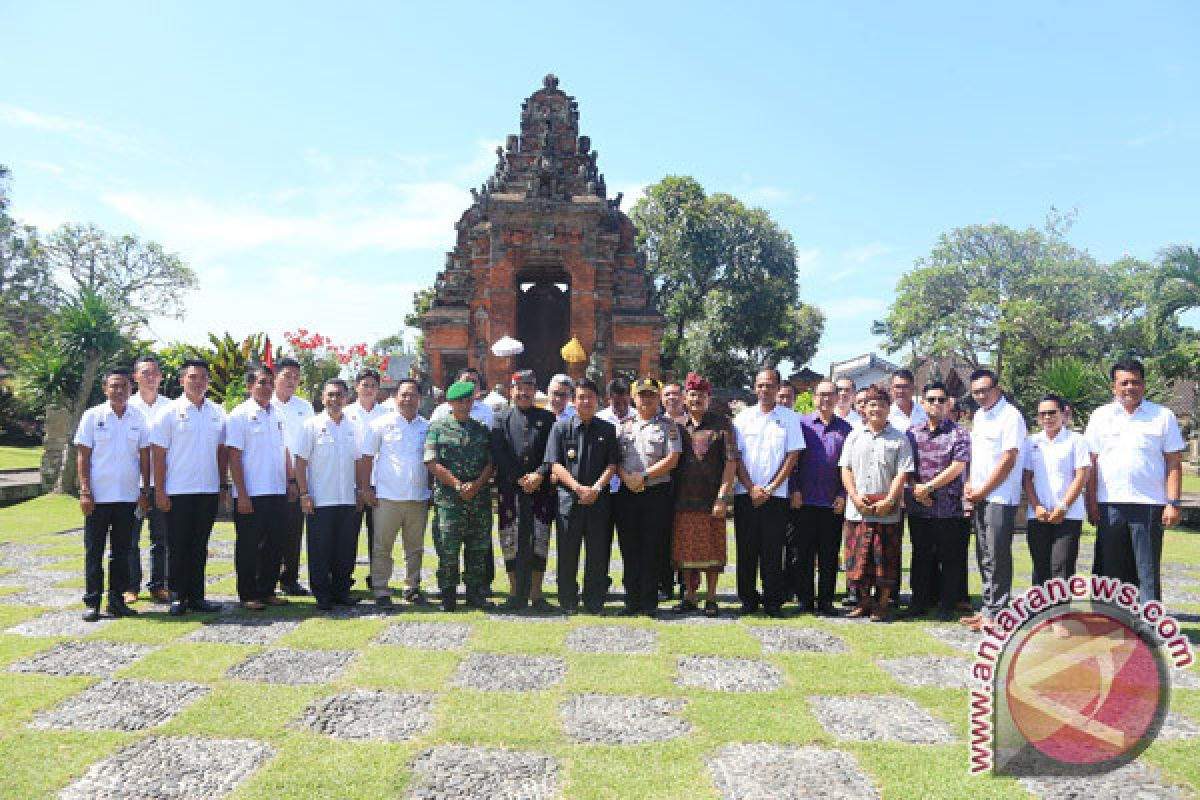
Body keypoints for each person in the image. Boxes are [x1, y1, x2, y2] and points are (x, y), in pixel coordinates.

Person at [1085, 359, 1185, 604]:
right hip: (1110, 504)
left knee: (1147, 571)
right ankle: (1113, 622)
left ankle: (1149, 628)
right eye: (1124, 383)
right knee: (1111, 570)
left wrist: (1172, 502)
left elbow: (1173, 462)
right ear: (1113, 387)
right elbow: (1091, 464)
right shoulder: (1100, 416)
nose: (1130, 387)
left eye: (1135, 382)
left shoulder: (1162, 416)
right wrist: (1091, 503)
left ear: (1144, 385)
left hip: (1149, 505)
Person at [150, 359, 228, 616]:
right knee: (178, 544)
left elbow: (221, 452)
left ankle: (197, 596)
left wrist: (221, 486)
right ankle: (177, 595)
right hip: (178, 490)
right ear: (182, 380)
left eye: (203, 377)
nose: (198, 382)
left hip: (206, 489)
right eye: (193, 377)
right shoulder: (168, 412)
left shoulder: (217, 412)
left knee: (200, 545)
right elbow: (158, 455)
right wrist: (159, 491)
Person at [74, 369, 150, 620]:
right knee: (94, 551)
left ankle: (116, 600)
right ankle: (92, 602)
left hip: (127, 497)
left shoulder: (138, 417)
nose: (119, 390)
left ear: (131, 389)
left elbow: (144, 457)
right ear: (105, 389)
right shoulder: (92, 416)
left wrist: (144, 490)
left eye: (124, 386)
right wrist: (85, 491)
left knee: (122, 552)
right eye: (114, 386)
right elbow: (83, 456)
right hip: (98, 497)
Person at [840, 384, 914, 622]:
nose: (876, 409)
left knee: (885, 559)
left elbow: (902, 474)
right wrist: (853, 495)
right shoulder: (854, 436)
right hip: (857, 508)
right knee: (858, 560)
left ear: (888, 408)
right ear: (864, 409)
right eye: (872, 405)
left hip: (886, 510)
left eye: (881, 405)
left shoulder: (900, 440)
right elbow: (846, 468)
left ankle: (882, 604)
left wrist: (890, 500)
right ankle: (864, 602)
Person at [733, 368, 805, 617]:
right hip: (746, 494)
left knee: (773, 550)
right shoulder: (742, 419)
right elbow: (736, 457)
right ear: (755, 387)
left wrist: (771, 488)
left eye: (770, 385)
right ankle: (748, 600)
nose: (765, 390)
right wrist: (752, 487)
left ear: (777, 387)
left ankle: (773, 601)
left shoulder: (790, 418)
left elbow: (792, 455)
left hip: (777, 496)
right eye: (761, 385)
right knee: (746, 550)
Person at [546, 379, 619, 614]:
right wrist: (578, 488)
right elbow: (554, 464)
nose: (585, 401)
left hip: (598, 501)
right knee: (567, 552)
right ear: (573, 400)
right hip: (569, 500)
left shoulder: (607, 430)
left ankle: (594, 599)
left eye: (590, 397)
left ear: (598, 400)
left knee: (597, 553)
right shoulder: (560, 428)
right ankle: (567, 599)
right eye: (580, 397)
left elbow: (612, 464)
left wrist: (596, 488)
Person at [359, 378, 432, 609]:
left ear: (419, 398)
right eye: (403, 395)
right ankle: (381, 589)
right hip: (387, 497)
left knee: (415, 547)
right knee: (382, 547)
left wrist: (430, 491)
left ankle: (412, 587)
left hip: (417, 497)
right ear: (395, 397)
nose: (408, 399)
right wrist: (366, 489)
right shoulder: (381, 424)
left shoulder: (426, 426)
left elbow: (432, 462)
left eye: (412, 395)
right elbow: (367, 458)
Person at [962, 369, 1026, 631]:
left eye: (984, 390)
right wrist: (969, 484)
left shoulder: (1010, 416)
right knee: (984, 553)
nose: (980, 396)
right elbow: (977, 456)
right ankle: (988, 608)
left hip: (999, 496)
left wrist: (983, 490)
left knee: (998, 554)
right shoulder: (979, 415)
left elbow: (1008, 459)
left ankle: (998, 612)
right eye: (976, 391)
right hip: (980, 495)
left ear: (997, 389)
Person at [225, 366, 292, 611]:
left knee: (274, 545)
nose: (266, 387)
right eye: (261, 382)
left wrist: (290, 481)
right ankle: (248, 594)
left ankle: (267, 590)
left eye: (269, 383)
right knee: (249, 546)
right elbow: (234, 456)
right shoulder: (239, 415)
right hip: (251, 493)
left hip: (276, 490)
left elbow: (284, 450)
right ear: (249, 386)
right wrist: (241, 494)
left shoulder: (277, 414)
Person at [670, 372, 737, 617]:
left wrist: (722, 496)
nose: (696, 398)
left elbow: (731, 462)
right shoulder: (677, 426)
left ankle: (711, 597)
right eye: (692, 394)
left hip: (711, 500)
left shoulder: (723, 425)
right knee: (687, 552)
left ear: (708, 398)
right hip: (683, 499)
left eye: (701, 395)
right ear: (685, 398)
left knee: (712, 552)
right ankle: (690, 596)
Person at [425, 380, 495, 612]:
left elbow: (490, 463)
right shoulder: (437, 428)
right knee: (448, 550)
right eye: (459, 402)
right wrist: (457, 485)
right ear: (450, 403)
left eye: (468, 401)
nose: (464, 406)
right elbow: (432, 462)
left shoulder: (481, 429)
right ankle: (448, 595)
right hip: (449, 502)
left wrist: (475, 485)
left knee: (478, 549)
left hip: (479, 500)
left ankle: (475, 594)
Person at [614, 377, 682, 617]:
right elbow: (615, 461)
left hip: (656, 493)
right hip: (628, 493)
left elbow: (673, 459)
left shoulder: (668, 426)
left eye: (651, 395)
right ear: (634, 397)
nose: (646, 399)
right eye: (642, 394)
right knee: (629, 546)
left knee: (653, 547)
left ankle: (649, 601)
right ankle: (631, 599)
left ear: (659, 398)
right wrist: (628, 478)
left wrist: (642, 475)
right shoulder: (623, 426)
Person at [294, 379, 364, 611]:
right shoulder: (311, 426)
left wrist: (360, 491)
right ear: (322, 398)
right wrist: (304, 494)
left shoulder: (353, 426)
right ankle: (322, 595)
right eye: (331, 395)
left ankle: (341, 591)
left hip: (346, 498)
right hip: (320, 499)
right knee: (320, 550)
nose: (335, 400)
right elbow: (300, 462)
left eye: (340, 395)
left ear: (346, 399)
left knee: (345, 549)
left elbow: (358, 461)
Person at [903, 381, 971, 621]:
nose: (936, 404)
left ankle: (947, 604)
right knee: (920, 555)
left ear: (948, 403)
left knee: (949, 558)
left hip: (948, 508)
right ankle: (919, 602)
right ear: (923, 403)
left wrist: (929, 488)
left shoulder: (959, 433)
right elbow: (905, 465)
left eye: (941, 400)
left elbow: (958, 466)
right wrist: (916, 488)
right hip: (919, 507)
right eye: (931, 400)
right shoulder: (911, 433)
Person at [491, 369, 557, 611]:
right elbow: (498, 452)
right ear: (512, 391)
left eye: (528, 388)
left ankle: (537, 594)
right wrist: (519, 477)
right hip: (511, 488)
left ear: (535, 390)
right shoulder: (501, 418)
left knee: (539, 538)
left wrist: (540, 474)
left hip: (540, 489)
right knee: (510, 539)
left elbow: (553, 452)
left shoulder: (548, 419)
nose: (523, 392)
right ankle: (515, 592)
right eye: (519, 388)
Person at [787, 380, 852, 616]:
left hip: (831, 502)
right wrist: (793, 489)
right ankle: (805, 599)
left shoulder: (846, 430)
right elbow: (791, 462)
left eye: (830, 395)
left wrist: (843, 495)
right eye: (821, 395)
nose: (825, 399)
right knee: (802, 553)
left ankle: (825, 600)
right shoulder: (801, 424)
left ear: (837, 398)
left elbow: (850, 467)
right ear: (814, 398)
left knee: (829, 554)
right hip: (803, 500)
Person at [1023, 394, 1091, 586]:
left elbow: (1081, 476)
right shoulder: (1032, 442)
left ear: (1063, 413)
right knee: (1040, 567)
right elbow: (1027, 478)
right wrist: (1036, 506)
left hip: (1068, 515)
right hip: (1039, 514)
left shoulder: (1076, 440)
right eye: (1042, 414)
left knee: (1061, 567)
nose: (1047, 418)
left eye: (1052, 413)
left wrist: (1063, 506)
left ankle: (1061, 614)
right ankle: (1041, 614)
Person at [126, 354, 171, 604]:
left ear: (161, 377)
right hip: (132, 484)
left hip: (162, 483)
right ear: (136, 377)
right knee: (130, 538)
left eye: (154, 372)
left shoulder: (171, 406)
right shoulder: (127, 406)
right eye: (145, 373)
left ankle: (158, 585)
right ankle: (130, 586)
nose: (150, 377)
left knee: (161, 539)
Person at [272, 356, 314, 596]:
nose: (291, 381)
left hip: (297, 477)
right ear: (276, 377)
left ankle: (289, 579)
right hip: (268, 477)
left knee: (293, 530)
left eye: (296, 377)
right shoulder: (266, 405)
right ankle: (267, 576)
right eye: (287, 376)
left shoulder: (304, 407)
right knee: (270, 531)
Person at [345, 368, 388, 588]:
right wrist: (359, 487)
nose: (369, 389)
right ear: (356, 387)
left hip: (378, 483)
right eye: (365, 385)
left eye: (373, 385)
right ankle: (345, 576)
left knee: (378, 535)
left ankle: (377, 578)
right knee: (349, 534)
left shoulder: (387, 414)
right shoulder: (346, 413)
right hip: (351, 483)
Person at [841, 387, 872, 608]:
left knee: (879, 551)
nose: (863, 407)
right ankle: (854, 591)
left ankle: (881, 595)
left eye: (867, 402)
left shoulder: (894, 432)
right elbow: (845, 467)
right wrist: (851, 494)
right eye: (859, 403)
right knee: (853, 548)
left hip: (882, 500)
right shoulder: (852, 432)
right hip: (854, 500)